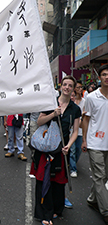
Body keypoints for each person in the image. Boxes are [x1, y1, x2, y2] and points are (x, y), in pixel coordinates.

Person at [30, 75, 81, 225]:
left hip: (61, 150)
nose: (67, 87)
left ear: (73, 89)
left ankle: (56, 210)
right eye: (64, 84)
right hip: (45, 149)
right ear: (60, 87)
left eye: (70, 85)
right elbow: (39, 121)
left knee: (58, 182)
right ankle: (44, 213)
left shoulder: (75, 109)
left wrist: (69, 145)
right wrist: (53, 114)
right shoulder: (50, 103)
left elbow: (75, 131)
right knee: (43, 180)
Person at [82, 64, 108, 225]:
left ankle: (92, 199)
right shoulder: (91, 97)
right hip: (95, 143)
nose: (107, 77)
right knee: (99, 176)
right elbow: (86, 119)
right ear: (99, 78)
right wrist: (84, 140)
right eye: (104, 74)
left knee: (105, 177)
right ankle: (105, 210)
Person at [69, 81, 85, 178]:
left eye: (81, 87)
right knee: (72, 150)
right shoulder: (71, 102)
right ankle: (73, 168)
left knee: (78, 150)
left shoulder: (85, 101)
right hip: (71, 130)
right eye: (78, 87)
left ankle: (72, 162)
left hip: (80, 129)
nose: (80, 89)